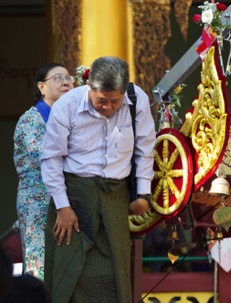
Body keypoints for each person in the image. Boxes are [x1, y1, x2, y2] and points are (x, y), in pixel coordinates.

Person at [41, 56, 156, 303]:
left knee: (113, 271)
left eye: (115, 101)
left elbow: (145, 148)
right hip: (74, 197)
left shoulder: (137, 101)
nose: (108, 108)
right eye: (101, 101)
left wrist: (143, 194)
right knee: (67, 269)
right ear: (89, 87)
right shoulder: (67, 105)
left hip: (115, 197)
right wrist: (63, 207)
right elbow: (51, 158)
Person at [13, 63, 74, 280]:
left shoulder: (69, 118)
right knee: (39, 267)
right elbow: (47, 158)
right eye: (58, 77)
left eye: (69, 77)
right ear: (42, 87)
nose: (66, 81)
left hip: (63, 203)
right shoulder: (30, 121)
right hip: (37, 204)